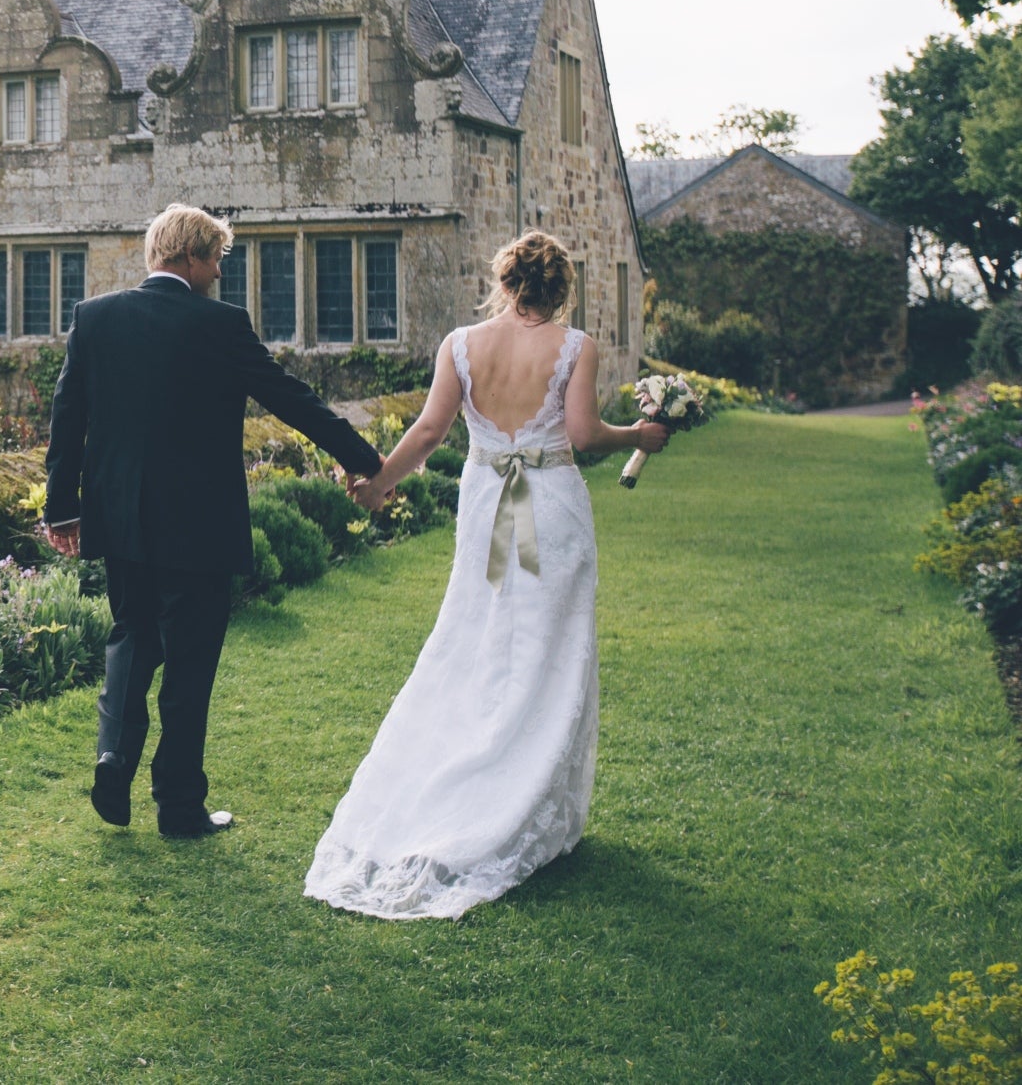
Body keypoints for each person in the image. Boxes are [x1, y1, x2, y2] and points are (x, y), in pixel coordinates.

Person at [302, 230, 669, 918]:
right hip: (551, 508)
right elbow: (586, 436)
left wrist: (380, 483)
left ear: (505, 282)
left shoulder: (460, 344)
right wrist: (638, 437)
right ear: (560, 289)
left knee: (477, 638)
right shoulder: (575, 347)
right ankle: (514, 793)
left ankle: (479, 764)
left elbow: (429, 432)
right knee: (546, 650)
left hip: (485, 504)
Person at [44, 203, 383, 837]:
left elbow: (68, 421)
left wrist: (62, 508)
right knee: (190, 666)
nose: (221, 274)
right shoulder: (222, 326)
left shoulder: (96, 318)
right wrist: (367, 460)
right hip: (199, 527)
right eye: (218, 260)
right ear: (191, 256)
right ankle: (177, 808)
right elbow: (292, 400)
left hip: (120, 520)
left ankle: (113, 758)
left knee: (131, 638)